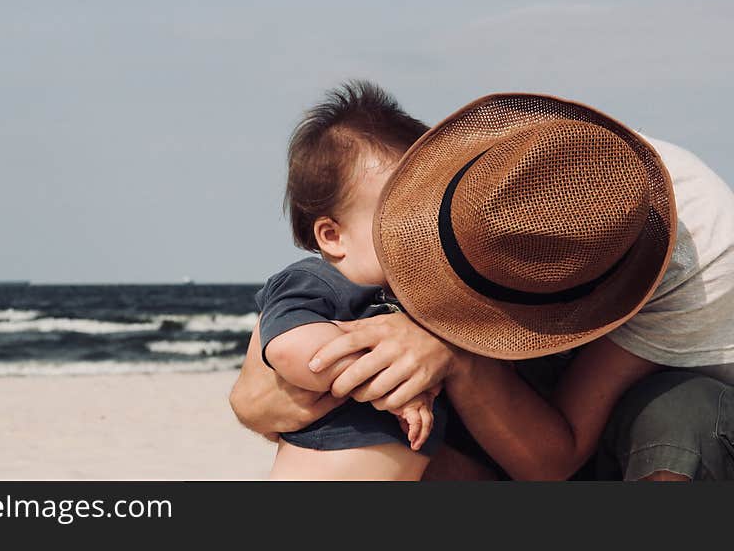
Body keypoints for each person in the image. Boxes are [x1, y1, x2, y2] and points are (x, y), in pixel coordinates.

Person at [230, 92, 734, 481]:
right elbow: (287, 337)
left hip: (625, 421)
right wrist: (252, 398)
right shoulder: (501, 174)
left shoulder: (705, 253)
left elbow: (556, 457)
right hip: (520, 416)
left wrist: (452, 351)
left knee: (685, 417)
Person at [255, 81, 447, 480]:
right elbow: (294, 352)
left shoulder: (410, 298)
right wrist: (390, 388)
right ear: (332, 236)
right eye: (401, 218)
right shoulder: (314, 282)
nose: (423, 232)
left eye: (429, 215)